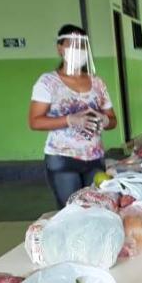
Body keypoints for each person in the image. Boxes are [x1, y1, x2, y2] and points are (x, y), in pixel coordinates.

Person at [29, 24, 117, 208]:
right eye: (72, 44)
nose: (78, 50)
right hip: (63, 160)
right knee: (72, 211)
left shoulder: (97, 83)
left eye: (82, 45)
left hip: (95, 159)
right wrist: (69, 120)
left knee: (98, 209)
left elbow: (113, 120)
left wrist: (105, 120)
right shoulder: (48, 82)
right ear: (60, 48)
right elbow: (35, 121)